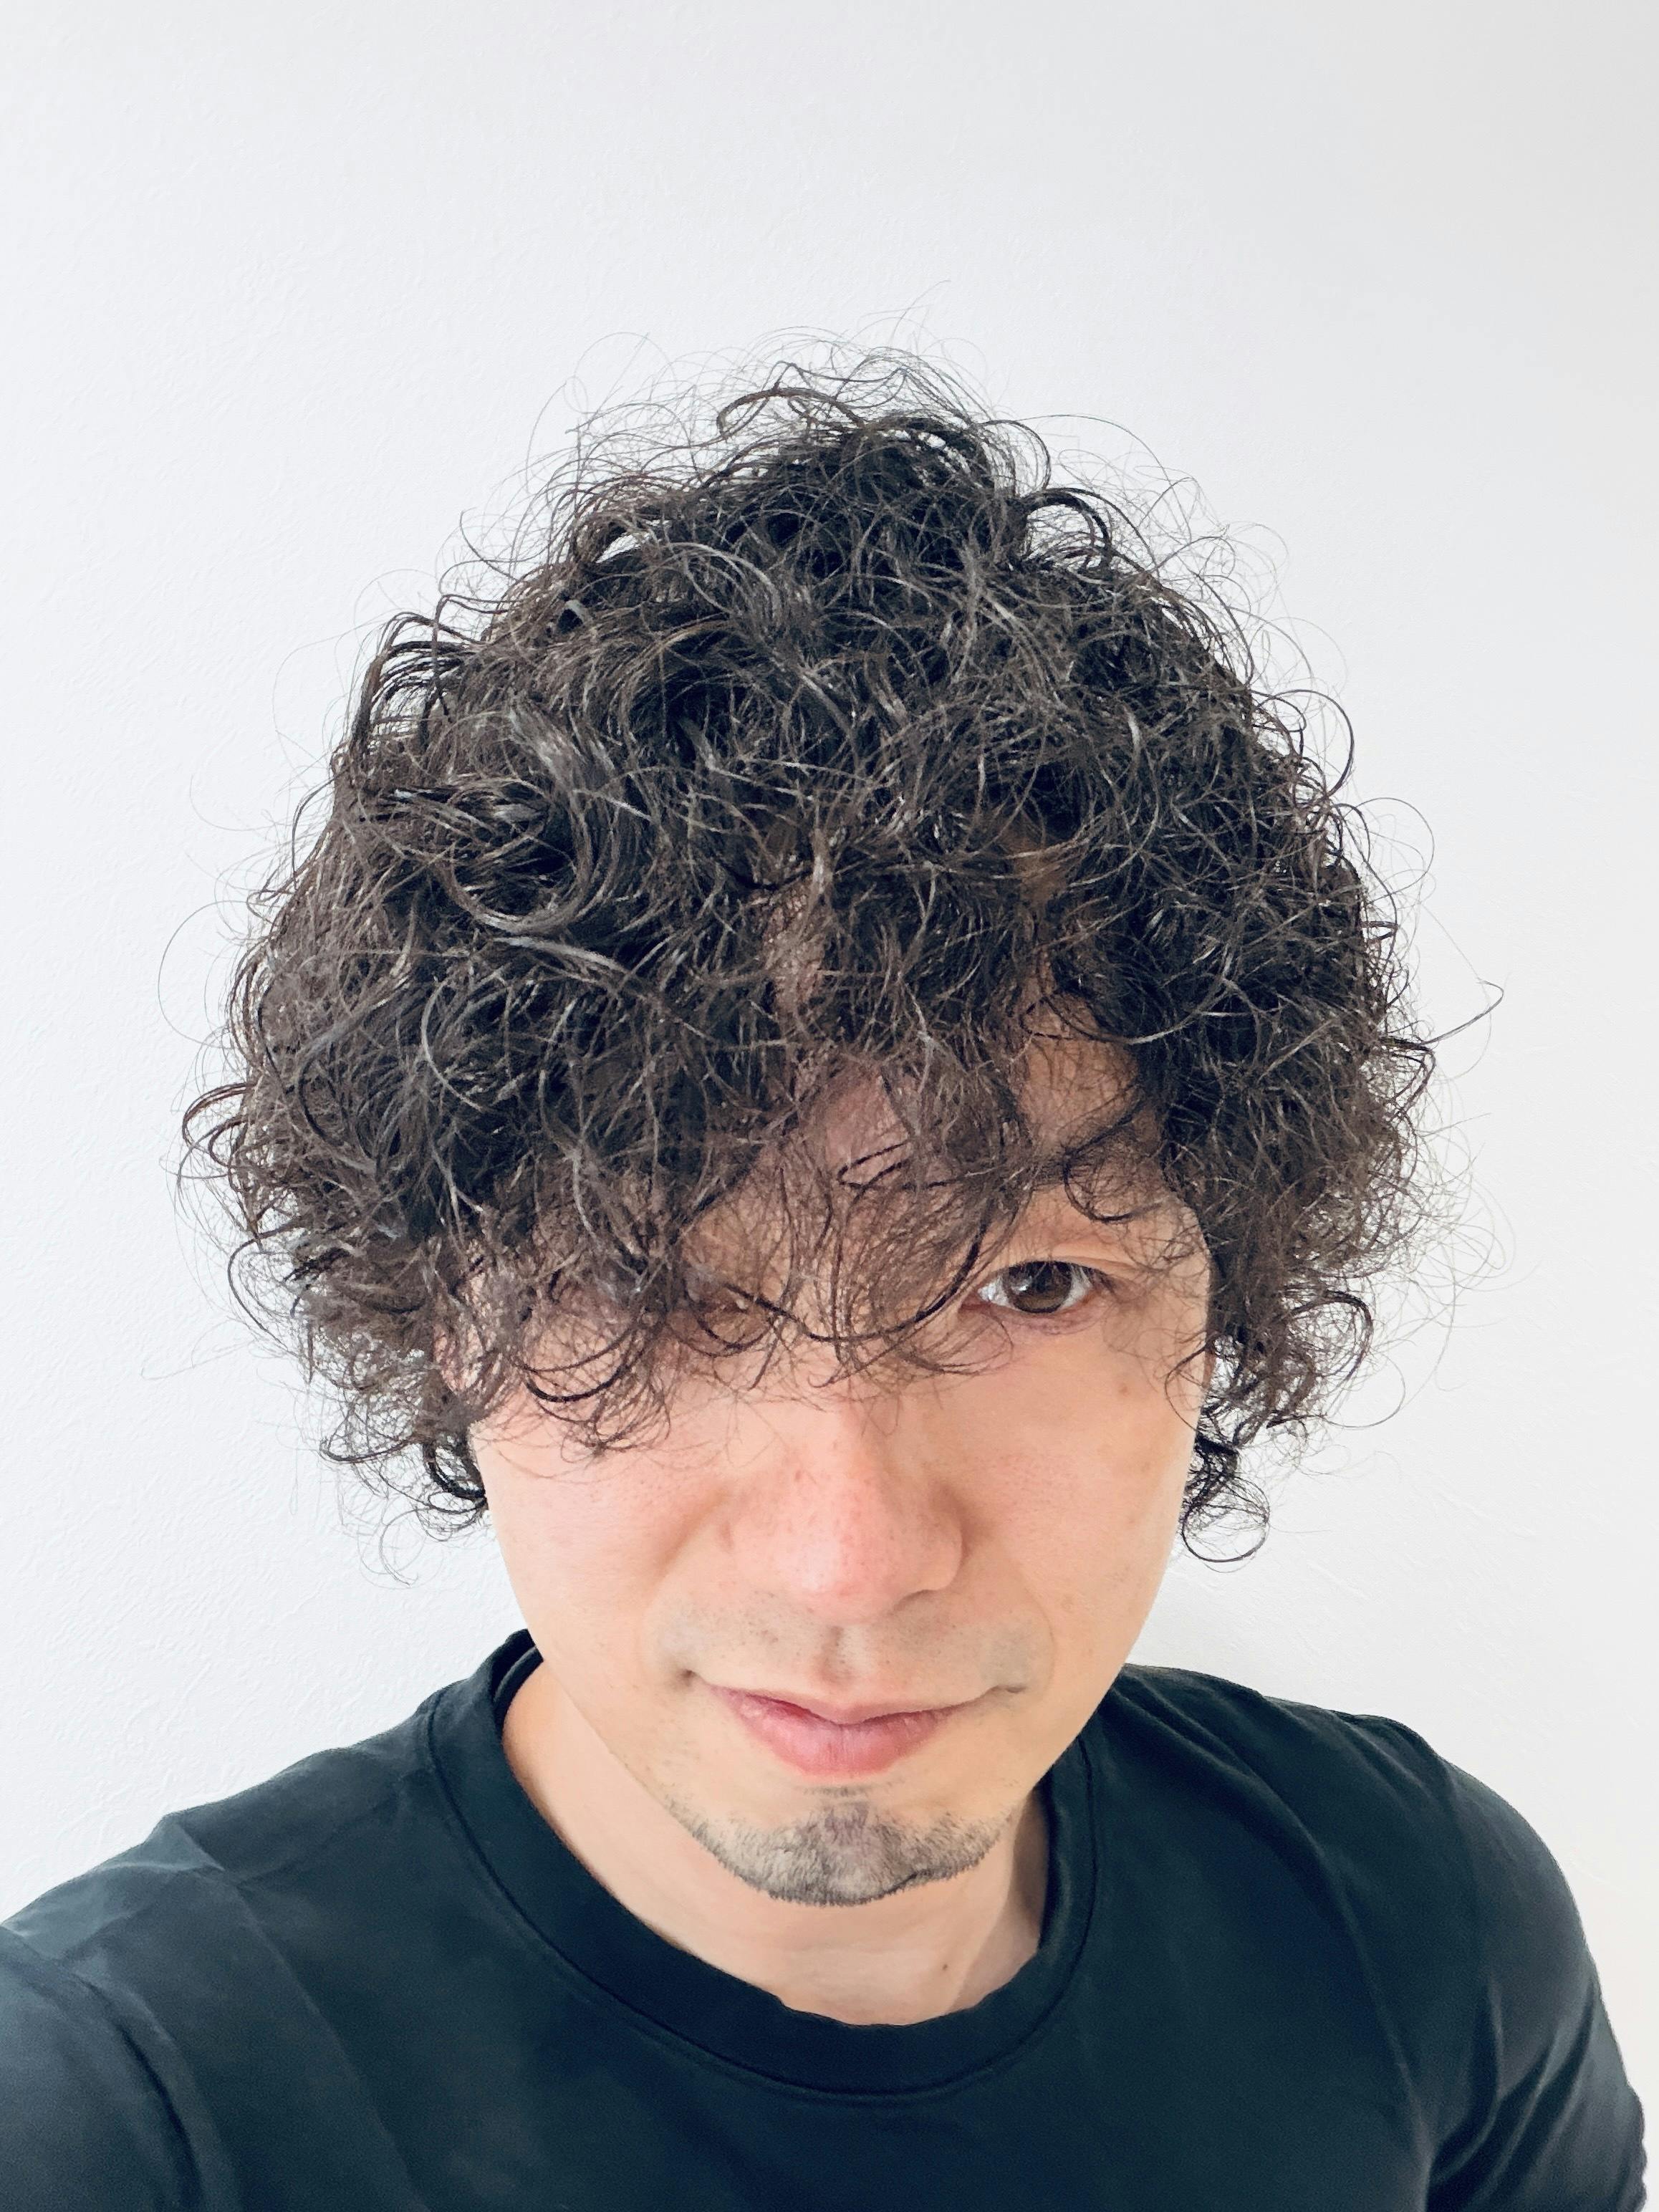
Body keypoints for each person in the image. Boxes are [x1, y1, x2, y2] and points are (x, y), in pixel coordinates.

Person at [1, 352, 1645, 2209]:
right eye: (648, 1287)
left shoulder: (1422, 1929)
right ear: (443, 1314)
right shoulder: (116, 2116)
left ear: (1226, 1303)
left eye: (1030, 1285)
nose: (848, 1563)